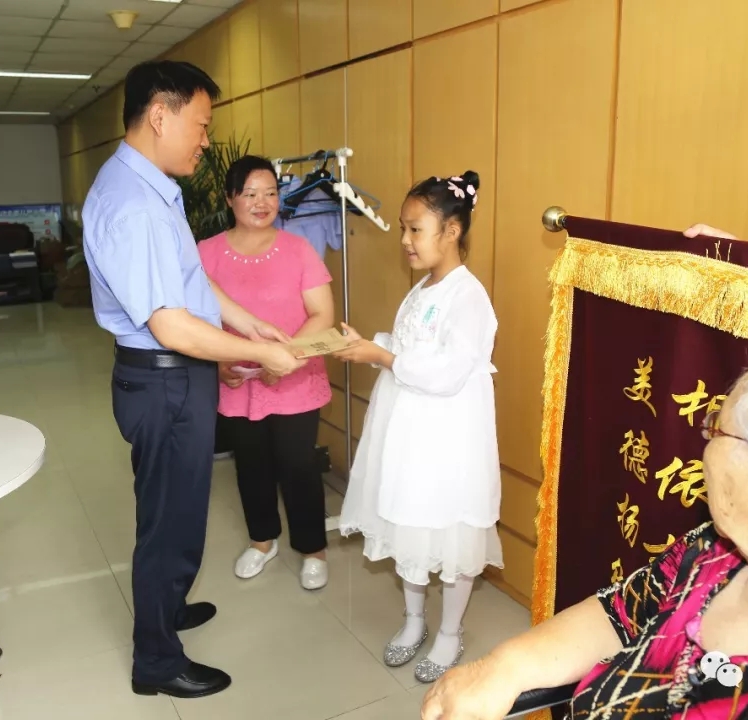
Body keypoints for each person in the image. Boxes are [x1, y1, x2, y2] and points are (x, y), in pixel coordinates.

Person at [421, 337, 748, 720]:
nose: (704, 446)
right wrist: (502, 667)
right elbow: (619, 613)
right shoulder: (714, 551)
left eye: (718, 430)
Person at [82, 60, 305, 700]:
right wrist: (259, 354)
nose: (207, 140)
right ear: (160, 115)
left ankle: (168, 607)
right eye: (201, 125)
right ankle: (155, 660)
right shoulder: (135, 206)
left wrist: (249, 325)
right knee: (167, 522)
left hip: (175, 377)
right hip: (164, 380)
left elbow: (192, 281)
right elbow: (172, 324)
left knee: (181, 512)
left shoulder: (152, 187)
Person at [335, 172, 503, 683]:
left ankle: (449, 633)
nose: (405, 240)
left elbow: (448, 371)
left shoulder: (468, 296)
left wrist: (383, 356)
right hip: (409, 432)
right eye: (404, 229)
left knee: (451, 531)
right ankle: (413, 620)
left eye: (415, 229)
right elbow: (409, 348)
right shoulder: (422, 288)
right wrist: (371, 347)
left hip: (446, 439)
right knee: (406, 520)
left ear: (451, 231)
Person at [197, 155, 336, 590]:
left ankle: (312, 549)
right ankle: (262, 540)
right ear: (229, 199)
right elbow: (195, 321)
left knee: (298, 464)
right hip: (236, 379)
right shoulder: (205, 253)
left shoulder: (298, 249)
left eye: (271, 193)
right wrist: (219, 362)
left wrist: (284, 359)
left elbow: (322, 314)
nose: (262, 202)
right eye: (250, 193)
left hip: (295, 377)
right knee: (251, 465)